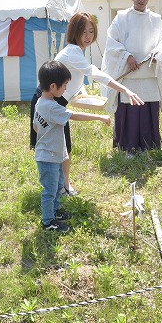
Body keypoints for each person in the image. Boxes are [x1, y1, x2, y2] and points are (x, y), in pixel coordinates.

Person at [29, 12, 144, 195]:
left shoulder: (75, 51)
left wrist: (82, 94)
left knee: (62, 147)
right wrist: (125, 90)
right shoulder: (73, 52)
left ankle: (62, 185)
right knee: (58, 147)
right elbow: (95, 73)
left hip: (53, 101)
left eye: (91, 31)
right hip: (49, 102)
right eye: (83, 32)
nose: (88, 36)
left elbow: (75, 80)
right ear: (74, 32)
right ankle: (59, 188)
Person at [33, 60, 111, 232]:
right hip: (48, 157)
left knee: (59, 183)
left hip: (53, 154)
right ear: (53, 86)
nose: (66, 89)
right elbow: (74, 116)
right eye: (65, 85)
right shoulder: (52, 107)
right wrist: (100, 117)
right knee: (50, 190)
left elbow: (35, 127)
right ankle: (48, 222)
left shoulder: (40, 102)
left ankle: (55, 212)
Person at [101, 0, 162, 152]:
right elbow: (111, 43)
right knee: (129, 113)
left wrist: (157, 54)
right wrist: (127, 56)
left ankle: (148, 147)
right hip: (128, 76)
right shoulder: (121, 18)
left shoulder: (156, 20)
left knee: (148, 112)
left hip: (149, 75)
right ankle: (127, 147)